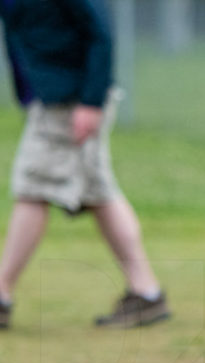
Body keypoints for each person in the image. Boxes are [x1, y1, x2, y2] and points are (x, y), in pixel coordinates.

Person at [0, 0, 169, 330]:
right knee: (99, 193)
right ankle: (146, 293)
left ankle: (1, 293)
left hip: (72, 100)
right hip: (50, 95)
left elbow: (100, 33)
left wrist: (91, 102)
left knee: (33, 188)